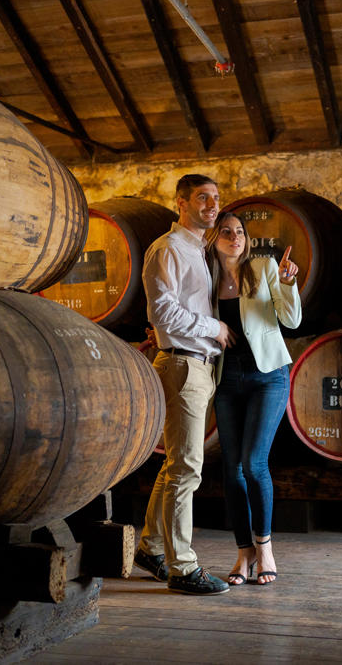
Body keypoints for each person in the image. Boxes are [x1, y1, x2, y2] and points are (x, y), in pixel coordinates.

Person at [135, 174, 235, 595]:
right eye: (202, 198)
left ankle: (151, 547)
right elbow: (163, 314)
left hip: (199, 365)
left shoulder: (198, 249)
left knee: (177, 463)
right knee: (186, 469)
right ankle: (183, 567)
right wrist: (214, 327)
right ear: (180, 202)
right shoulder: (169, 248)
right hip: (182, 362)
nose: (212, 205)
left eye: (215, 198)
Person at [207, 212, 301, 585]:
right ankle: (243, 552)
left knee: (253, 464)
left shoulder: (263, 268)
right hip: (226, 379)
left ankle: (265, 549)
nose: (235, 237)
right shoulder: (206, 278)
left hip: (269, 376)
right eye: (226, 232)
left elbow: (291, 321)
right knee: (231, 469)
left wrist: (288, 283)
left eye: (240, 232)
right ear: (213, 239)